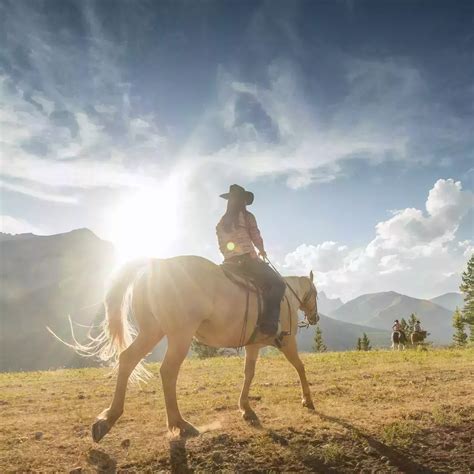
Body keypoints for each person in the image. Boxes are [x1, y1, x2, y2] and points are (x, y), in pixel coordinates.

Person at [216, 184, 286, 337]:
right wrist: (261, 250)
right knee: (279, 284)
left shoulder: (221, 222)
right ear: (242, 201)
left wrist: (230, 256)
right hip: (248, 260)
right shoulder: (248, 217)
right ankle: (269, 324)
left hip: (229, 263)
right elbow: (255, 235)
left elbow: (221, 246)